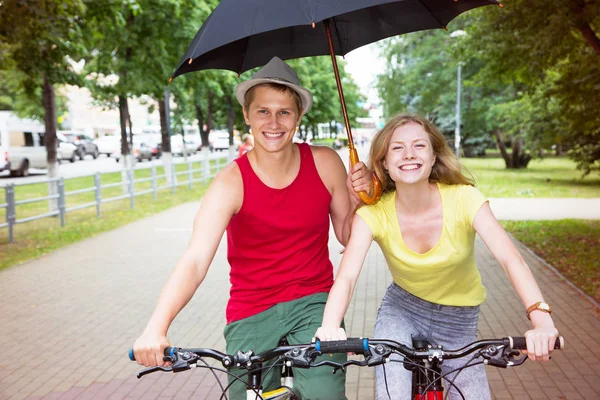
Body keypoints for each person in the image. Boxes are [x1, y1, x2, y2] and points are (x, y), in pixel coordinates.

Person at [132, 56, 374, 400]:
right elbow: (196, 260)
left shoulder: (325, 162)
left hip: (315, 304)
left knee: (325, 394)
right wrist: (156, 327)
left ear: (298, 116)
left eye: (284, 112)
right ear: (247, 115)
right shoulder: (230, 182)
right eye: (263, 111)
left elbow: (349, 237)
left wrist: (361, 199)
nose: (273, 122)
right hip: (252, 310)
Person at [314, 113, 559, 399]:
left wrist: (541, 320)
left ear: (433, 158)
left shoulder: (464, 199)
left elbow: (511, 260)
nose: (408, 154)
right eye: (397, 148)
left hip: (459, 321)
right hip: (402, 311)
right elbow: (347, 277)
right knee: (393, 392)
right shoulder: (373, 214)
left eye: (419, 146)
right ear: (384, 164)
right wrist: (330, 325)